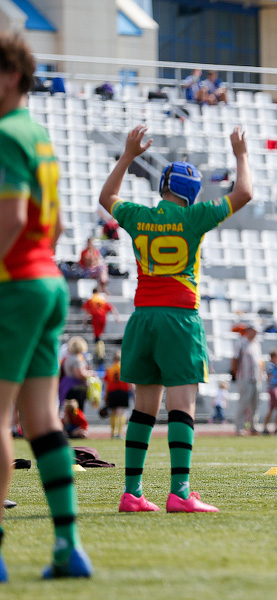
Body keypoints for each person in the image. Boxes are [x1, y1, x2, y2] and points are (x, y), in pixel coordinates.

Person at [99, 123, 253, 514]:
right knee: (182, 406)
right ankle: (180, 492)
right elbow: (244, 193)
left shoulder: (138, 216)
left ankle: (132, 493)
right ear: (192, 192)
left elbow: (107, 196)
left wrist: (129, 154)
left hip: (142, 318)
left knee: (143, 408)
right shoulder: (194, 218)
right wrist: (240, 154)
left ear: (163, 188)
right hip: (180, 318)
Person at [0, 31, 93, 579]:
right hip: (48, 280)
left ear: (11, 76)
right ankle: (67, 546)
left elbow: (11, 220)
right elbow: (52, 225)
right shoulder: (38, 134)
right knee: (42, 420)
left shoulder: (5, 134)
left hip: (14, 284)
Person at [232, 325, 264, 436]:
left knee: (255, 404)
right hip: (244, 377)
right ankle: (239, 427)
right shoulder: (241, 343)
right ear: (248, 331)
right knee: (244, 403)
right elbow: (235, 360)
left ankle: (253, 426)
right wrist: (236, 374)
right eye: (254, 331)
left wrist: (261, 374)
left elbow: (260, 361)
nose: (255, 334)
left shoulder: (256, 344)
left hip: (256, 378)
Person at [59, 337, 95, 412]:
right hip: (75, 387)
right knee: (77, 411)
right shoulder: (76, 359)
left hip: (67, 385)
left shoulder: (68, 357)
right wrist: (90, 374)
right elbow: (79, 374)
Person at [103, 351, 131, 439]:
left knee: (113, 412)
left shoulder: (109, 369)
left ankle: (113, 432)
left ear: (113, 359)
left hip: (112, 392)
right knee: (121, 412)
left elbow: (106, 384)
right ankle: (119, 432)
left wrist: (105, 395)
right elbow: (130, 383)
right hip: (123, 392)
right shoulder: (124, 368)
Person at [262, 350, 277, 435]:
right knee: (275, 408)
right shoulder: (271, 366)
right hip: (274, 388)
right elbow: (270, 377)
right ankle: (268, 426)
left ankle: (274, 426)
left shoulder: (275, 366)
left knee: (276, 409)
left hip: (276, 388)